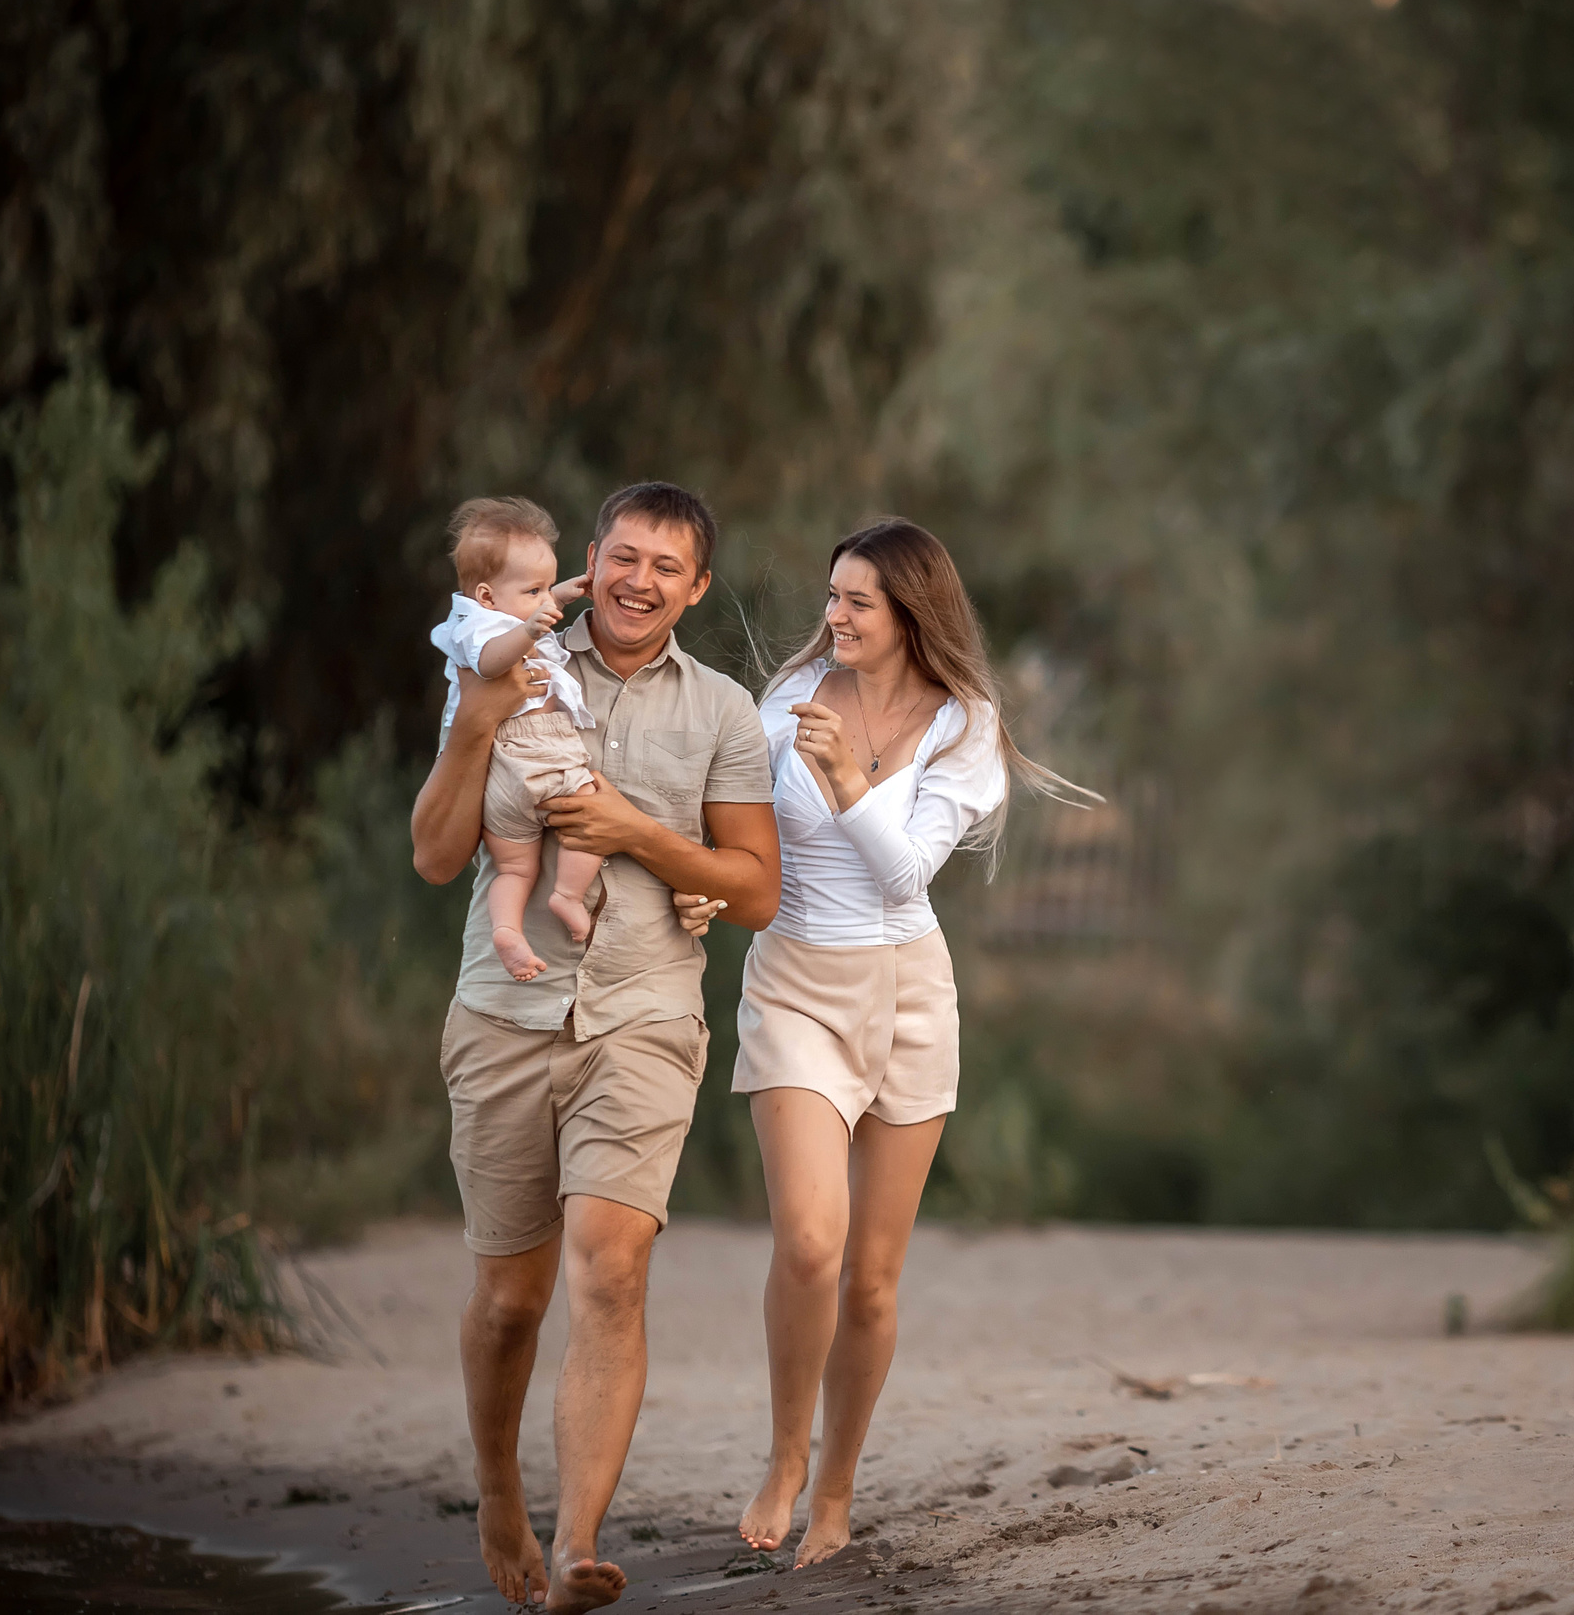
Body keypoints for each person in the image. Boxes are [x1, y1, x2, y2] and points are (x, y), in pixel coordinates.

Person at [410, 482, 781, 1614]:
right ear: (591, 557)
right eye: (625, 556)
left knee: (612, 1271)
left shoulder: (723, 711)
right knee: (510, 1299)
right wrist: (475, 721)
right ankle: (499, 1494)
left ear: (697, 588)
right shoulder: (503, 659)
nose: (639, 581)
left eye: (667, 567)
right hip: (504, 1015)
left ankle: (577, 1545)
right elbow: (435, 857)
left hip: (645, 1016)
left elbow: (755, 891)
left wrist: (635, 834)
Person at [731, 518, 1088, 1567]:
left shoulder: (964, 725)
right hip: (795, 981)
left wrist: (848, 779)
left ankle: (835, 1489)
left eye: (858, 602)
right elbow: (731, 821)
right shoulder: (790, 697)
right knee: (810, 1243)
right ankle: (785, 1456)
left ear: (910, 615)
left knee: (873, 1278)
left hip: (910, 998)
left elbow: (903, 875)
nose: (834, 616)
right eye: (832, 595)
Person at [428, 497, 605, 981]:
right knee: (594, 810)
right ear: (486, 596)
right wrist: (527, 630)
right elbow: (490, 662)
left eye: (547, 587)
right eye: (534, 590)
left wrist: (557, 596)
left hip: (499, 782)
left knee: (514, 870)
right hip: (534, 753)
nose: (545, 601)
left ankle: (507, 929)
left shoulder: (498, 613)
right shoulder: (477, 628)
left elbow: (528, 612)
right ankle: (568, 895)